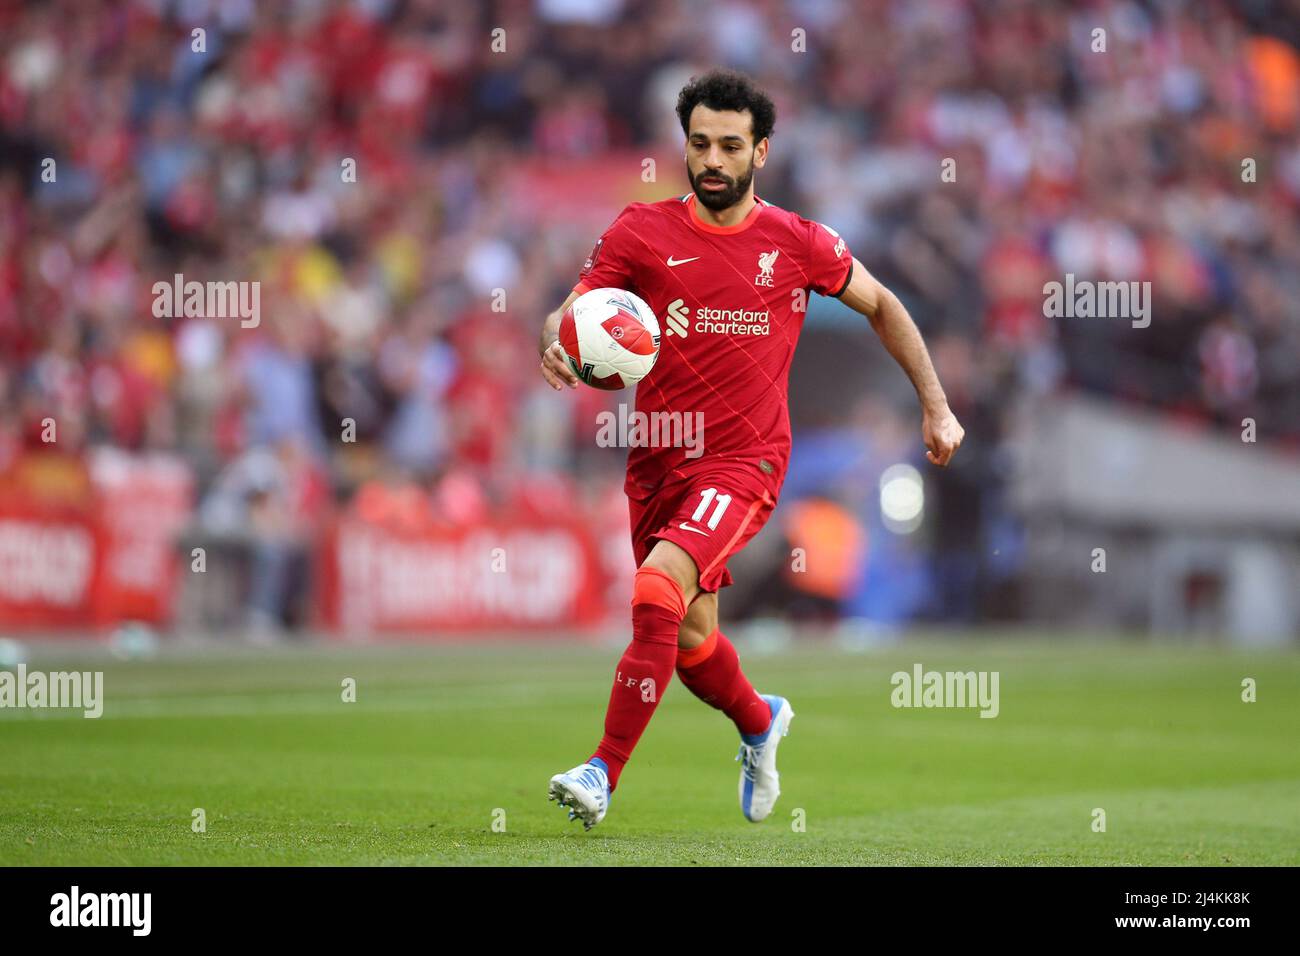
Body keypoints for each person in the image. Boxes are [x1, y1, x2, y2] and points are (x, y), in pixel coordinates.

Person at [537, 69, 964, 829]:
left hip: (746, 463)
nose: (712, 159)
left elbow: (885, 305)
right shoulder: (640, 230)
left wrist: (935, 407)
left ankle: (602, 771)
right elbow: (570, 313)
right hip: (658, 460)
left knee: (654, 593)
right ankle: (759, 720)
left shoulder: (797, 243)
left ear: (760, 152)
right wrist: (555, 344)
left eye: (730, 146)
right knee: (693, 639)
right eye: (700, 143)